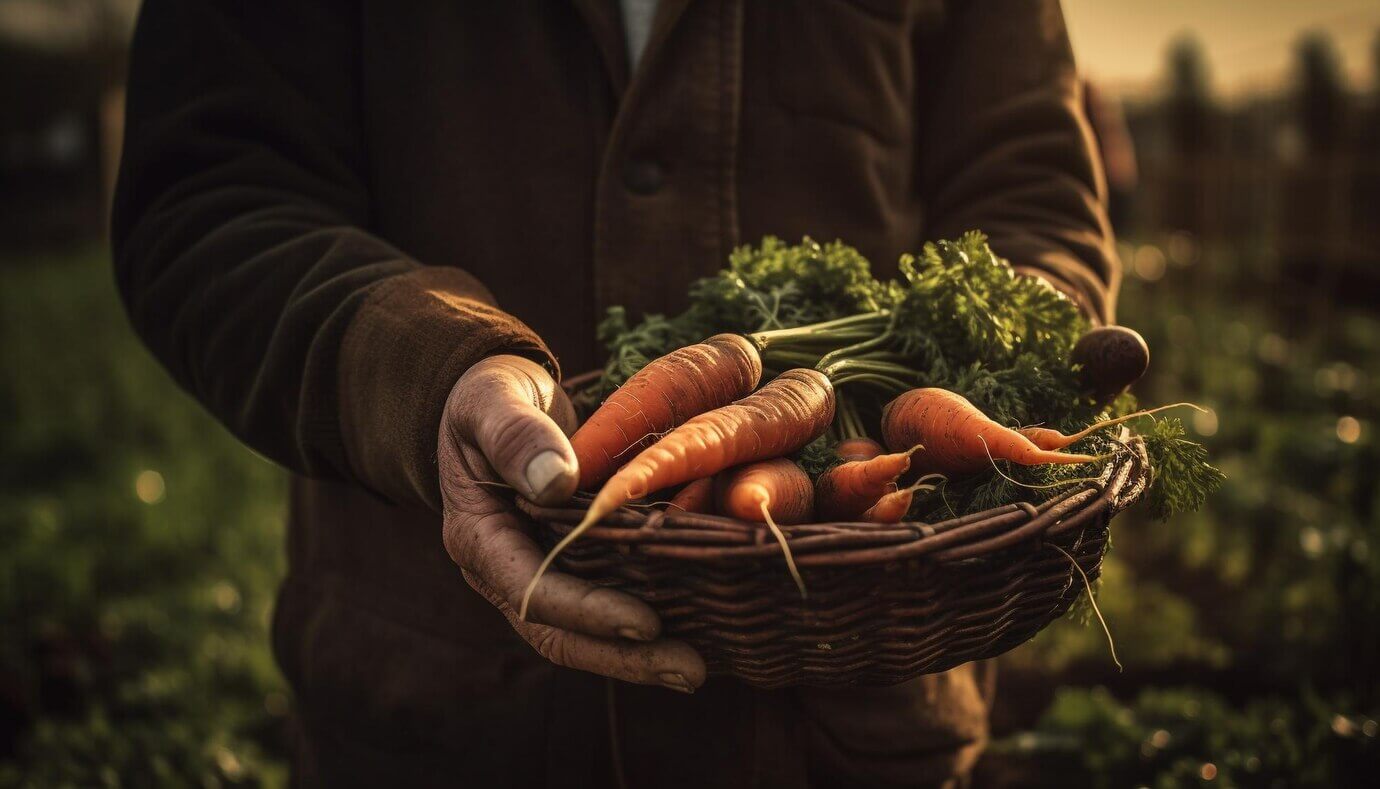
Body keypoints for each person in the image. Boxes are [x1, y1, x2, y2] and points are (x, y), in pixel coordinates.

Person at [112, 1, 1118, 786]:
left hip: (855, 727)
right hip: (444, 719)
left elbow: (1030, 181)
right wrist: (432, 373)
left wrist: (1007, 337)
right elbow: (213, 190)